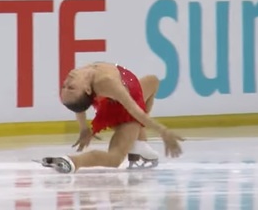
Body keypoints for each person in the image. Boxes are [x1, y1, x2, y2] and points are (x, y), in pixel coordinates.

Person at [38, 62, 184, 174]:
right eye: (70, 88)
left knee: (153, 81)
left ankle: (140, 143)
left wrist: (84, 129)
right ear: (88, 90)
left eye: (65, 86)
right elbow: (134, 110)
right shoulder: (105, 82)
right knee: (115, 158)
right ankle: (73, 161)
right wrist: (163, 130)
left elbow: (79, 105)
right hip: (128, 111)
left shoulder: (83, 76)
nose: (67, 83)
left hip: (121, 101)